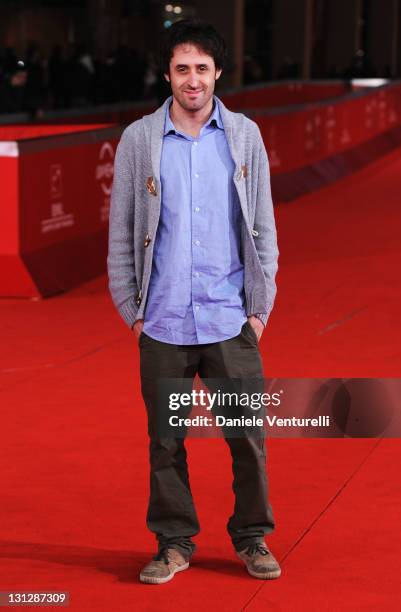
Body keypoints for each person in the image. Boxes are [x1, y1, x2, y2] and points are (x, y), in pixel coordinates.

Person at [107, 19, 280, 584]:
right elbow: (123, 231)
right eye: (182, 68)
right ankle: (174, 543)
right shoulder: (141, 139)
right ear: (167, 75)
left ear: (218, 73)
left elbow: (262, 225)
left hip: (231, 317)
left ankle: (252, 539)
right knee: (165, 443)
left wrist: (259, 310)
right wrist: (133, 312)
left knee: (248, 439)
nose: (192, 79)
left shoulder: (244, 135)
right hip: (163, 321)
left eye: (202, 68)